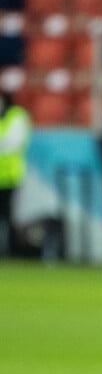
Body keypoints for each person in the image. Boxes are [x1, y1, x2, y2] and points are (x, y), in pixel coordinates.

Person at [0, 90, 31, 257]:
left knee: (9, 216)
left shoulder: (17, 115)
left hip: (10, 176)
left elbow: (13, 142)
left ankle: (12, 250)